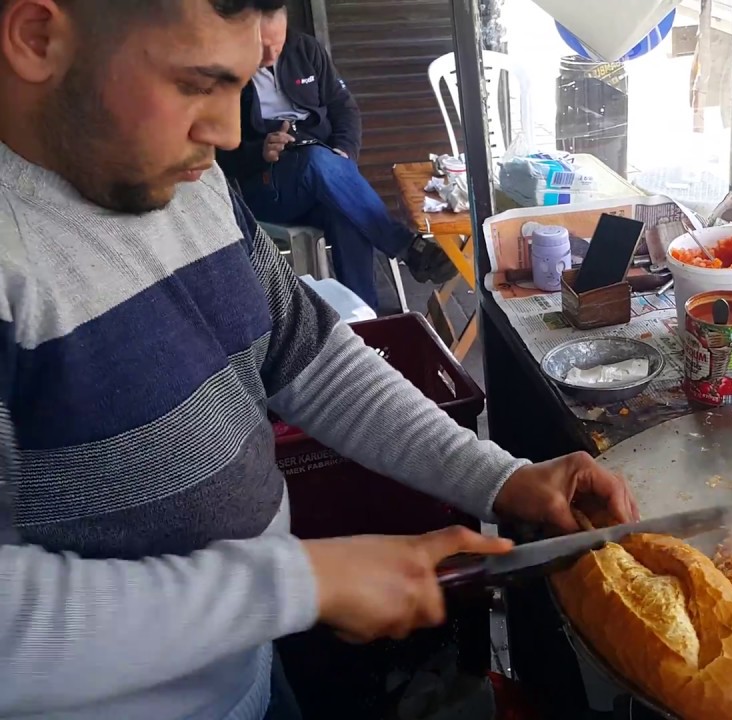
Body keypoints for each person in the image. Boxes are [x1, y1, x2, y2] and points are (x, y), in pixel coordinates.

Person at [0, 1, 638, 719]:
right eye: (193, 84)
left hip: (251, 671)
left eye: (236, 87)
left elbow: (311, 360)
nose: (226, 133)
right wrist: (297, 585)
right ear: (37, 37)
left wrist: (505, 479)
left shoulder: (187, 176)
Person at [217, 6, 451, 310]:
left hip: (319, 172)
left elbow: (345, 108)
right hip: (266, 185)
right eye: (261, 47)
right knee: (315, 162)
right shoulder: (225, 69)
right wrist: (259, 151)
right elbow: (219, 155)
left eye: (277, 45)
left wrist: (343, 153)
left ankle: (364, 320)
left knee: (345, 213)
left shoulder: (305, 50)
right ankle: (406, 245)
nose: (271, 56)